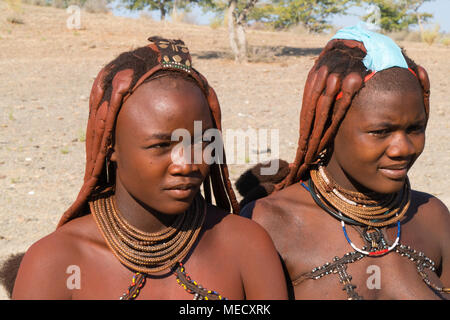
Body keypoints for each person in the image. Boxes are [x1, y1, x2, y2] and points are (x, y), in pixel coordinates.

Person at [12, 37, 287, 300]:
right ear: (112, 148)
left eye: (202, 143)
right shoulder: (55, 261)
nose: (187, 164)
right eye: (161, 146)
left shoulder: (246, 246)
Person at [240, 25, 450, 300]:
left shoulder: (431, 215)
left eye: (415, 129)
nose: (403, 148)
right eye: (381, 132)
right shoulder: (270, 223)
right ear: (330, 127)